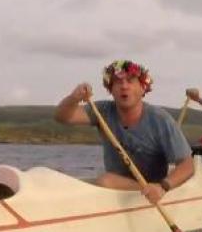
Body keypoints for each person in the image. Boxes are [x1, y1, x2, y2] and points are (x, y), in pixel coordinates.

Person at [54, 59, 194, 204]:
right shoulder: (102, 110)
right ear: (110, 89)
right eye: (118, 82)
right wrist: (74, 98)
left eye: (130, 81)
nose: (124, 86)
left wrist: (162, 187)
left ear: (142, 88)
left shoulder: (160, 119)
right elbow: (63, 117)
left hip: (153, 193)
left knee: (106, 181)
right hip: (117, 188)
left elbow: (188, 165)